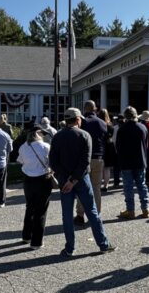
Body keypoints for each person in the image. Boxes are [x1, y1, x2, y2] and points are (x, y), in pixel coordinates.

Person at [49, 107, 114, 257]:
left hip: (64, 180)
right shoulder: (85, 135)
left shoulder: (58, 136)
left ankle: (70, 248)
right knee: (92, 211)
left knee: (67, 215)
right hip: (82, 179)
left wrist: (65, 179)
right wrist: (74, 179)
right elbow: (85, 162)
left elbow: (53, 161)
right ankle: (103, 244)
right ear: (78, 119)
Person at [18, 126, 53, 249]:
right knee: (41, 210)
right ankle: (36, 242)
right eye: (42, 133)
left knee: (30, 207)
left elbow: (20, 161)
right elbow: (51, 163)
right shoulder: (46, 147)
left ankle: (26, 236)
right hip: (42, 179)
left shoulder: (23, 147)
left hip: (28, 179)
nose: (43, 136)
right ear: (38, 134)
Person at [74, 100, 108, 224]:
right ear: (95, 109)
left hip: (84, 158)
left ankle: (80, 214)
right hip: (98, 157)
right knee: (96, 188)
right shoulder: (102, 122)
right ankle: (96, 215)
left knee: (82, 188)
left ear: (85, 109)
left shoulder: (82, 122)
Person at [115, 107, 149, 219]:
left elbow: (118, 147)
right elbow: (146, 144)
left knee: (128, 187)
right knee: (142, 185)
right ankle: (145, 209)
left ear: (125, 117)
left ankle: (130, 210)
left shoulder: (122, 129)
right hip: (140, 160)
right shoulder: (142, 127)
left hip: (126, 161)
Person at [98, 108, 116, 191]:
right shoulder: (110, 125)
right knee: (107, 168)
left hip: (101, 146)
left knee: (100, 168)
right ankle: (106, 185)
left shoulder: (99, 124)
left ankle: (99, 185)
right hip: (109, 147)